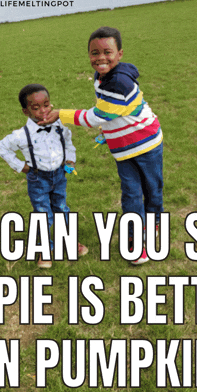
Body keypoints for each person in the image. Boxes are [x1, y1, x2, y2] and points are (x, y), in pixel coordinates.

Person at [40, 27, 163, 265]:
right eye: (94, 52)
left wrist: (61, 114)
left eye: (108, 52)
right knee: (131, 194)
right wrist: (110, 132)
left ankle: (154, 222)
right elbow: (111, 113)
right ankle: (136, 241)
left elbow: (97, 116)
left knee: (152, 189)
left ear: (120, 54)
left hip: (147, 144)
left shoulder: (119, 83)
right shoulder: (101, 77)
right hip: (124, 149)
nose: (101, 57)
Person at [0, 84, 88, 268]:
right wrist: (20, 166)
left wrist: (70, 160)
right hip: (37, 179)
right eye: (35, 107)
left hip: (60, 176)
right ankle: (45, 250)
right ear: (25, 111)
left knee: (62, 208)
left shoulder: (59, 127)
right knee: (43, 214)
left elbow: (69, 143)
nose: (43, 111)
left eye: (46, 105)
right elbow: (3, 148)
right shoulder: (21, 135)